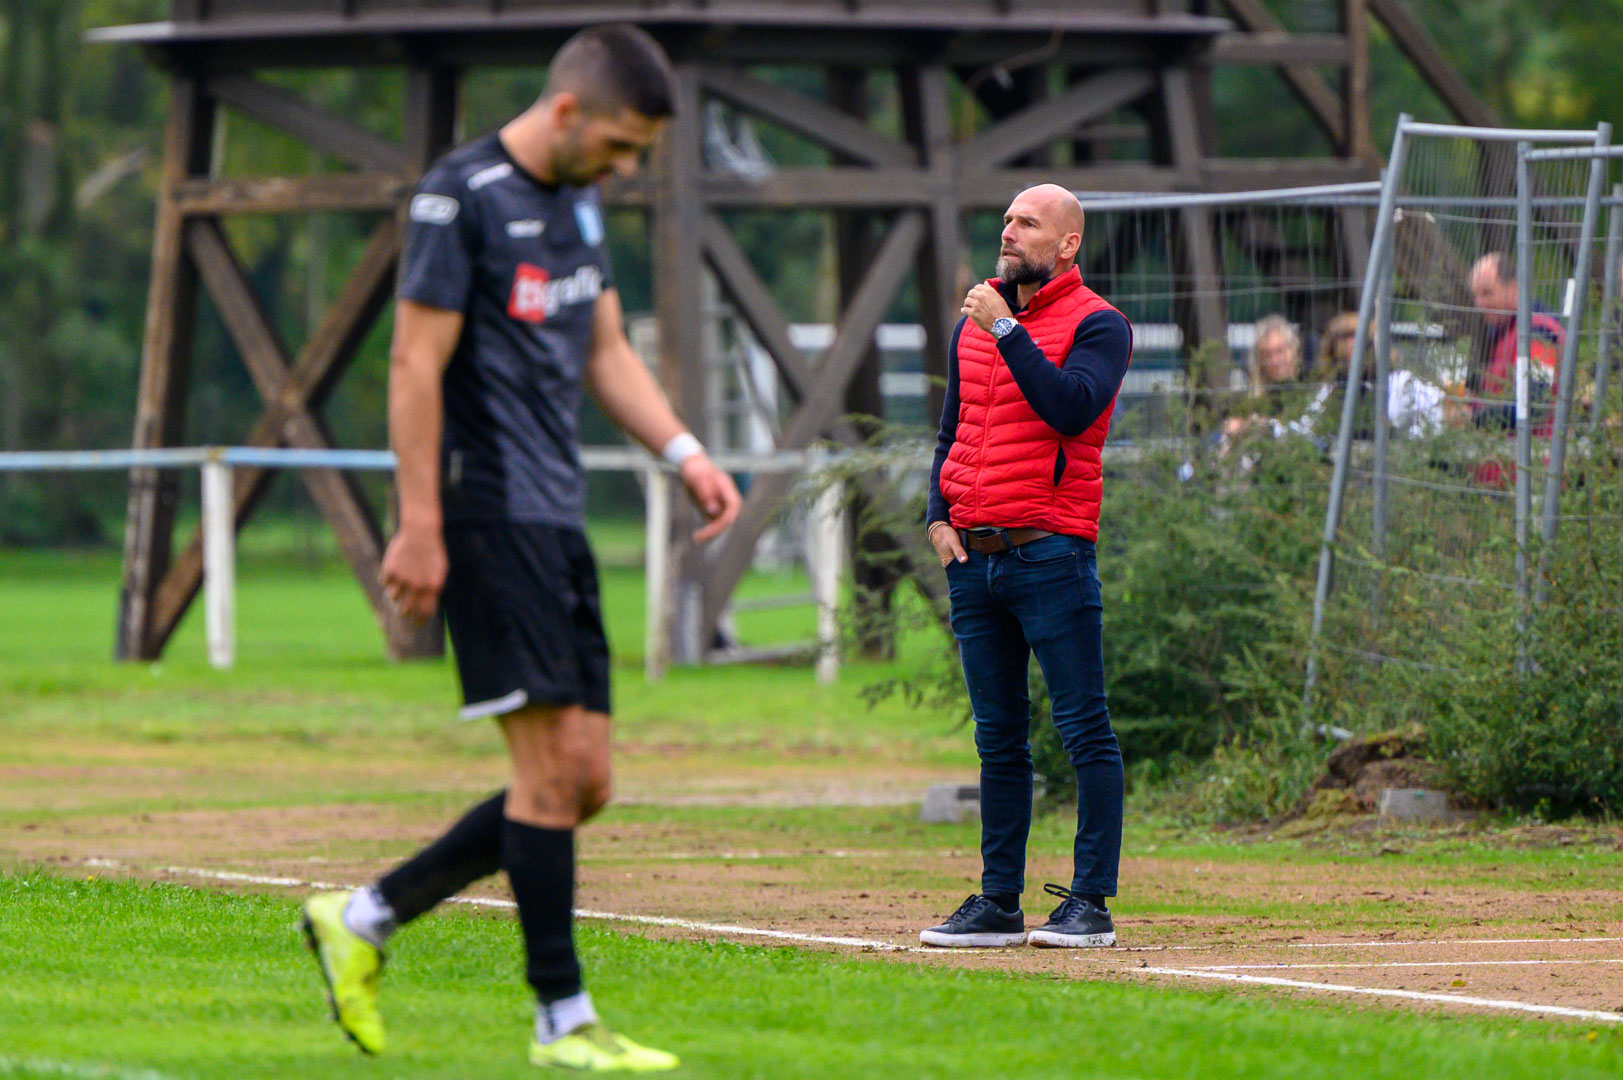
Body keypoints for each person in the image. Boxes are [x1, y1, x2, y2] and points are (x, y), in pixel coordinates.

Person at [298, 25, 740, 1072]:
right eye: (620, 146)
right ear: (567, 109)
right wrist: (419, 524)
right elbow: (413, 363)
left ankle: (362, 919)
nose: (624, 169)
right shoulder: (459, 197)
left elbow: (605, 347)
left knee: (584, 782)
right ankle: (561, 1022)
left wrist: (683, 451)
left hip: (555, 514)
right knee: (546, 777)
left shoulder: (577, 204)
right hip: (486, 513)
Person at [920, 184, 1132, 949]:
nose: (1007, 231)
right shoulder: (972, 325)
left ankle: (1089, 903)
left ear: (1067, 244)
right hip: (973, 560)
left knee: (1083, 729)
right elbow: (952, 428)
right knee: (998, 737)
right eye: (1006, 219)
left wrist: (1006, 329)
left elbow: (1070, 408)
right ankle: (998, 901)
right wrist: (936, 516)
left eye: (1027, 223)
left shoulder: (1100, 325)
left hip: (1051, 551)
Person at [1467, 251, 1563, 433]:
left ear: (1513, 289)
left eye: (1487, 293)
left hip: (1534, 448)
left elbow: (1534, 405)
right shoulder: (1501, 330)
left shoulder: (1540, 332)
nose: (1479, 304)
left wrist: (1473, 418)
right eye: (1476, 295)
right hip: (1502, 447)